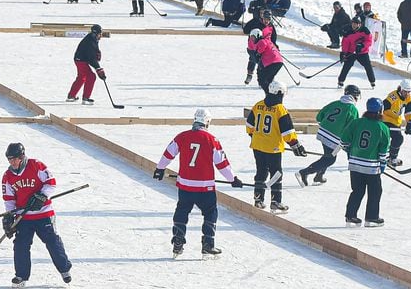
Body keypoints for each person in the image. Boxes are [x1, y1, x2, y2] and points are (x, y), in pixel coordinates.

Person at [153, 109, 241, 257]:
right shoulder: (212, 139)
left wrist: (160, 169)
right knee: (210, 212)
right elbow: (222, 163)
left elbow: (168, 153)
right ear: (207, 122)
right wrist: (233, 179)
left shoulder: (182, 136)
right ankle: (208, 244)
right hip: (205, 187)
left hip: (185, 185)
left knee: (182, 211)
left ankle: (178, 242)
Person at [1, 142, 73, 287]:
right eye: (9, 159)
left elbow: (51, 183)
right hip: (24, 216)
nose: (12, 162)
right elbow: (9, 199)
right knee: (20, 245)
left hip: (44, 214)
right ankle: (21, 276)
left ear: (22, 157)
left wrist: (41, 196)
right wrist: (9, 216)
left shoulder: (36, 165)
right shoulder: (7, 176)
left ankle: (64, 269)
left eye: (15, 159)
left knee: (52, 241)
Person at [246, 81, 305, 213]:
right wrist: (295, 145)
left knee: (261, 171)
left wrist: (254, 136)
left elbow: (249, 125)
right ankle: (276, 201)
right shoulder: (280, 109)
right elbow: (287, 132)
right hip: (273, 147)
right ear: (280, 93)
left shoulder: (258, 105)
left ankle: (258, 199)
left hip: (257, 145)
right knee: (276, 173)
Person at [298, 85, 361, 186]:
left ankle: (319, 176)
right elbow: (351, 128)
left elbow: (319, 116)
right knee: (330, 159)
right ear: (355, 96)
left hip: (323, 132)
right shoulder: (352, 109)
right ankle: (305, 172)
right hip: (334, 138)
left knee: (327, 155)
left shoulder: (335, 103)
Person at [342, 98, 391, 227]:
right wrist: (383, 163)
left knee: (357, 191)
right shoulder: (383, 127)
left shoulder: (356, 123)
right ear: (380, 110)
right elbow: (383, 150)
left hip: (354, 164)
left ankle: (350, 216)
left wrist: (349, 151)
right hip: (371, 167)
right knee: (375, 191)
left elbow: (344, 140)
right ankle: (371, 218)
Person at [67, 24, 105, 104]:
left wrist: (97, 53)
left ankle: (71, 96)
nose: (101, 35)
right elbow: (91, 58)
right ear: (96, 33)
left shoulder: (92, 38)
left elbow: (92, 55)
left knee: (82, 77)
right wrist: (98, 69)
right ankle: (86, 98)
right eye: (100, 34)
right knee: (91, 76)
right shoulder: (91, 40)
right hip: (81, 60)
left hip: (79, 59)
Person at [381, 80, 411, 167]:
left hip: (396, 122)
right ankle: (381, 155)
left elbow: (409, 112)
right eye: (405, 92)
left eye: (409, 92)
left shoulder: (408, 98)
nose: (406, 94)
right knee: (393, 138)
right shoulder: (393, 96)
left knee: (398, 139)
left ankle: (392, 158)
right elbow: (382, 106)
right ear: (400, 89)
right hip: (386, 120)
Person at [337, 17, 377, 89]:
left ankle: (372, 81)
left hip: (362, 52)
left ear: (359, 24)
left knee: (368, 66)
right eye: (353, 24)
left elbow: (369, 41)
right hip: (351, 52)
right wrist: (343, 53)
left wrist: (362, 46)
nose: (354, 25)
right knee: (346, 66)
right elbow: (345, 44)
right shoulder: (348, 32)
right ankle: (341, 81)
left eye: (356, 24)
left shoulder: (365, 31)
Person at [242, 11, 275, 85]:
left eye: (268, 19)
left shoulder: (271, 26)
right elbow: (251, 37)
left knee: (268, 62)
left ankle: (267, 78)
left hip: (266, 47)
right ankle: (249, 75)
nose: (267, 21)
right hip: (254, 47)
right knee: (253, 60)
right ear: (262, 18)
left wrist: (275, 47)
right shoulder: (257, 25)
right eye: (265, 19)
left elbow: (273, 38)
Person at [251, 27, 284, 94]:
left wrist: (258, 53)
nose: (252, 39)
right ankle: (271, 94)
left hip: (273, 62)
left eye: (253, 37)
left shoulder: (261, 41)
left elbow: (263, 45)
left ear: (258, 36)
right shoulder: (267, 40)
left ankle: (270, 95)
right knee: (268, 80)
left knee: (264, 80)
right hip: (278, 62)